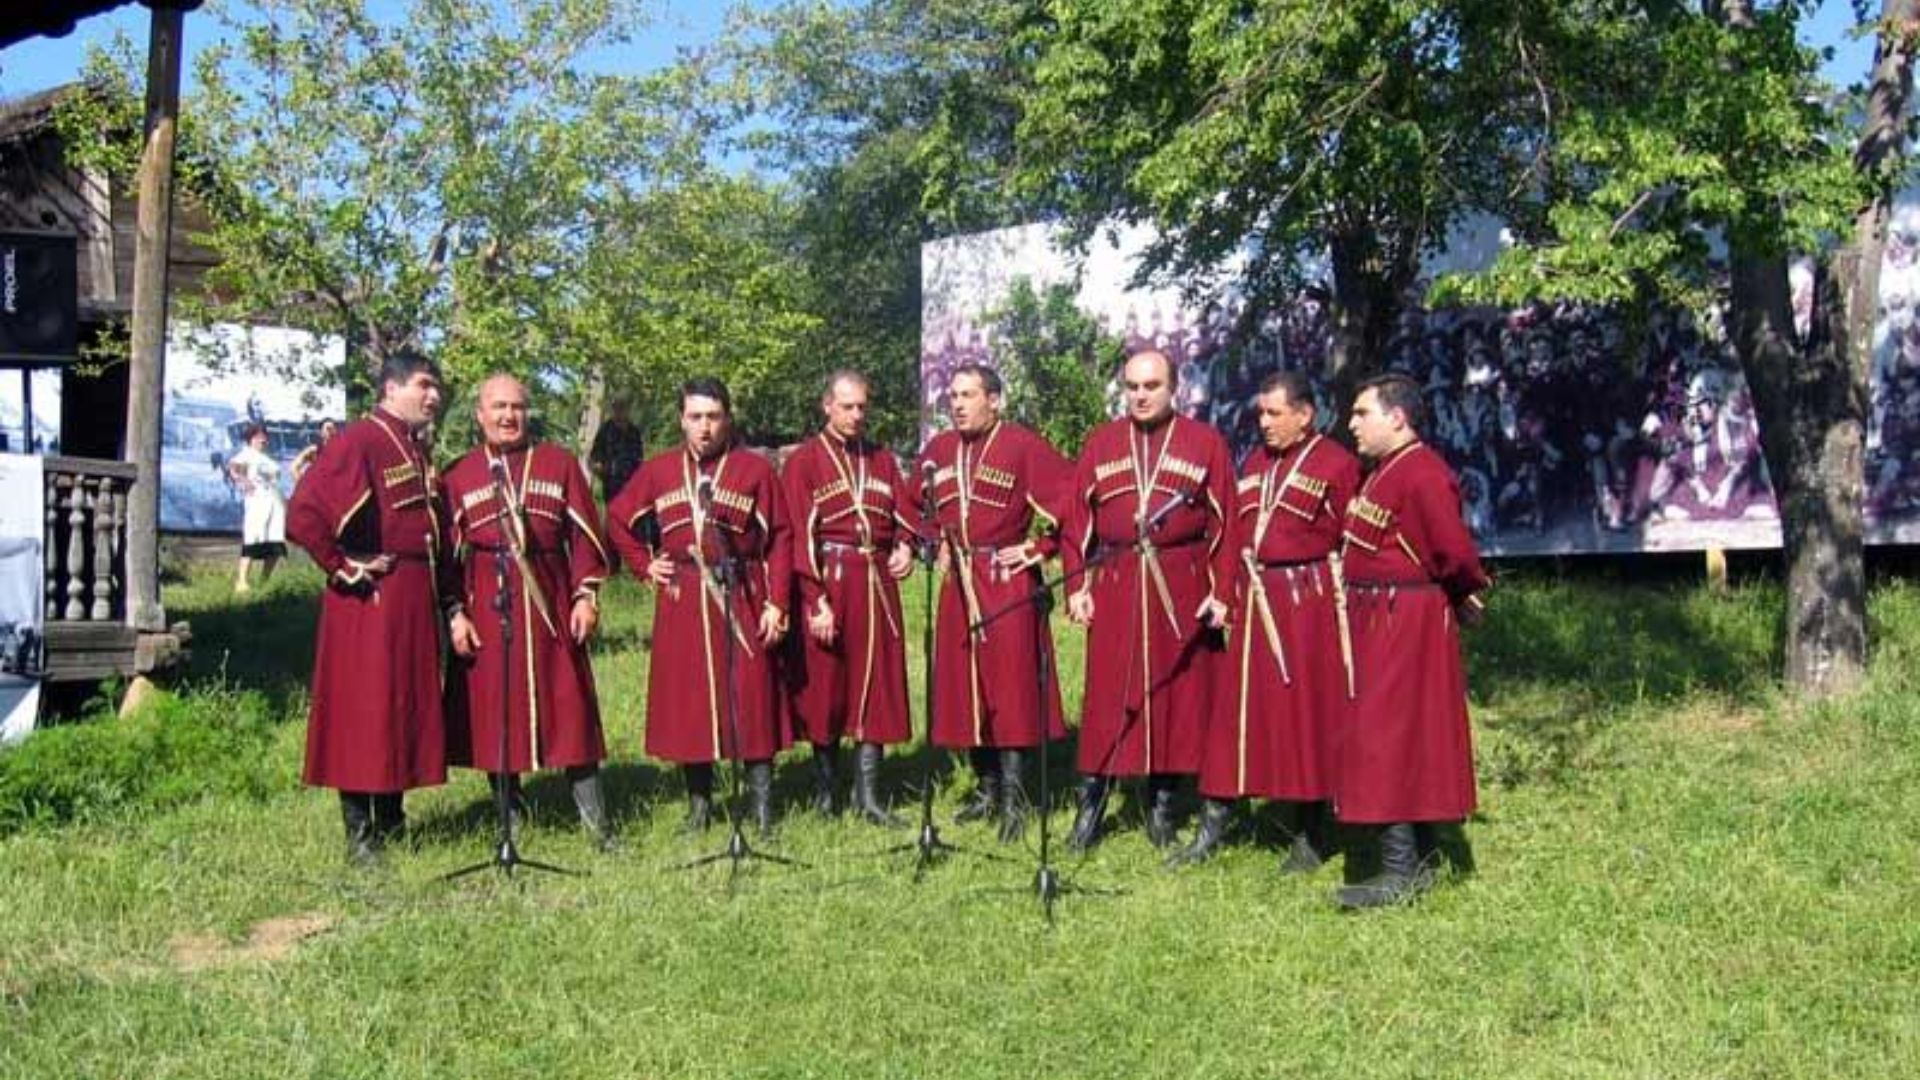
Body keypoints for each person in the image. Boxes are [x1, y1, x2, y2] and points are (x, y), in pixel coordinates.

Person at [1171, 370, 1360, 870]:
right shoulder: (1254, 461)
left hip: (1306, 607)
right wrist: (1223, 594)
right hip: (1254, 605)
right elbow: (1234, 534)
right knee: (1232, 716)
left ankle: (1309, 835)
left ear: (1305, 414)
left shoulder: (1337, 464)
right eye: (1261, 413)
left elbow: (1353, 540)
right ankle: (1212, 828)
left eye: (1274, 413)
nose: (1264, 423)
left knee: (1303, 717)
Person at [1061, 350, 1235, 852]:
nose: (1140, 395)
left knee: (1175, 696)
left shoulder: (1204, 442)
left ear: (1173, 388)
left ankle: (1162, 805)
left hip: (1179, 584)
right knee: (1107, 699)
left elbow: (1227, 523)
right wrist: (1078, 586)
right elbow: (1076, 522)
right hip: (1117, 583)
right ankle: (1091, 808)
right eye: (1132, 386)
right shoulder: (1102, 443)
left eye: (1152, 385)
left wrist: (1222, 593)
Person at [607, 377, 793, 837]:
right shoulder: (659, 470)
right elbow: (617, 518)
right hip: (684, 598)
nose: (704, 427)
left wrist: (777, 602)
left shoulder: (754, 470)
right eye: (695, 417)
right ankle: (699, 808)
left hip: (741, 591)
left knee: (751, 696)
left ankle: (761, 808)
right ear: (681, 420)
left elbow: (781, 538)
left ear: (727, 418)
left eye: (713, 416)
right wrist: (644, 565)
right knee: (691, 702)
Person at [442, 375, 619, 851]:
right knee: (496, 715)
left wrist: (586, 596)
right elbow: (447, 559)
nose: (508, 416)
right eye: (498, 407)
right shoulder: (459, 476)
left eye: (516, 407)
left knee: (571, 709)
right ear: (480, 414)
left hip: (551, 606)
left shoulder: (559, 465)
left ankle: (598, 827)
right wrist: (456, 612)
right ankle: (510, 819)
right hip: (489, 607)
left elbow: (586, 539)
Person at [285, 351, 449, 865]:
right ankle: (360, 837)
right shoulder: (359, 439)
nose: (433, 395)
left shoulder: (412, 446)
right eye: (423, 385)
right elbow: (303, 513)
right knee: (364, 710)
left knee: (399, 705)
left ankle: (392, 820)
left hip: (410, 598)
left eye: (436, 387)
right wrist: (344, 566)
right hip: (369, 603)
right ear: (391, 388)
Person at [1337, 372, 1490, 910]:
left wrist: (1464, 592)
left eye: (1363, 413)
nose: (1352, 423)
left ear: (1397, 418)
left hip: (1403, 620)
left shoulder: (1422, 472)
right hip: (1380, 617)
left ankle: (1401, 871)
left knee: (1387, 737)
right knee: (1390, 734)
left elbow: (1453, 551)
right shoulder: (1384, 471)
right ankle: (1418, 862)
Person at [911, 363, 1071, 841]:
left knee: (1011, 687)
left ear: (994, 400)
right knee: (967, 687)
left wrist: (1040, 548)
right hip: (958, 584)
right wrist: (932, 538)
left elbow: (1073, 502)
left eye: (969, 395)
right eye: (953, 396)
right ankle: (987, 789)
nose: (958, 404)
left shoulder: (1022, 446)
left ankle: (1015, 800)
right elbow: (913, 506)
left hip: (1006, 581)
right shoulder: (939, 451)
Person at [781, 371, 917, 826]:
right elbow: (797, 535)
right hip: (830, 580)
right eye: (847, 406)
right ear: (827, 406)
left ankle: (869, 797)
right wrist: (814, 599)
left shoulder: (882, 460)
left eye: (862, 406)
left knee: (874, 685)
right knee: (827, 687)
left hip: (875, 583)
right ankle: (827, 792)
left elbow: (904, 514)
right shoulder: (804, 462)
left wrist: (904, 546)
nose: (856, 415)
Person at [227, 423, 287, 593]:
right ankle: (242, 581)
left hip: (275, 503)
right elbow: (233, 467)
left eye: (264, 436)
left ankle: (264, 581)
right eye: (258, 436)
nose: (262, 439)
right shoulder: (247, 454)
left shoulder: (267, 458)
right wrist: (242, 481)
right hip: (257, 503)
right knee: (252, 539)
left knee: (275, 542)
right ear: (250, 439)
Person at [589, 397, 646, 503]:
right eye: (616, 408)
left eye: (622, 408)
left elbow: (639, 458)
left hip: (632, 484)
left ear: (628, 410)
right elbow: (595, 456)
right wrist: (599, 468)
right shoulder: (605, 430)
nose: (619, 411)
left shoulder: (634, 432)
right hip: (611, 485)